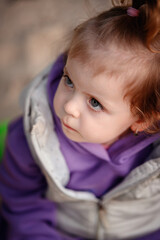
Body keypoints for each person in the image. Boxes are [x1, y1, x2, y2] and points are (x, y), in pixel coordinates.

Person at [0, 0, 160, 239]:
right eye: (69, 80)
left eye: (95, 102)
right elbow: (22, 208)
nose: (69, 106)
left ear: (142, 121)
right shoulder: (32, 139)